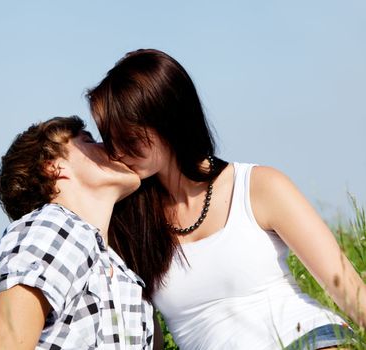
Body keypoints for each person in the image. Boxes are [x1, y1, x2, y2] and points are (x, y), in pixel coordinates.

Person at [86, 49, 366, 349]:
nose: (117, 151)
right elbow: (140, 332)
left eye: (128, 138)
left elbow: (348, 290)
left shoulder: (258, 186)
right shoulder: (128, 224)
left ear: (168, 120)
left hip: (308, 338)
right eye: (109, 139)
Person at [0, 116, 154, 349]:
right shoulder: (52, 228)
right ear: (53, 166)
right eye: (88, 141)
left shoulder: (121, 271)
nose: (108, 147)